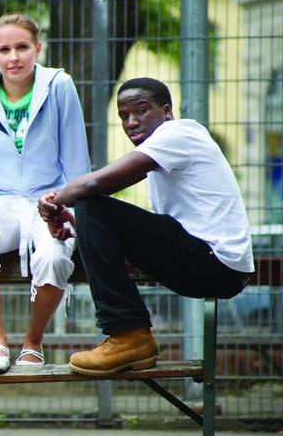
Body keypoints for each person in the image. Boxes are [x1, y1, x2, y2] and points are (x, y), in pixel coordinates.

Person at [38, 77, 254, 375]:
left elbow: (98, 182)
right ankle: (130, 336)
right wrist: (81, 227)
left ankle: (128, 334)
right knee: (91, 209)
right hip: (208, 263)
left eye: (141, 111)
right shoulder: (161, 159)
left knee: (91, 201)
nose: (131, 122)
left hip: (216, 262)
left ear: (166, 111)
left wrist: (54, 201)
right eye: (124, 116)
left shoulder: (179, 133)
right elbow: (144, 228)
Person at [0, 13, 90, 374]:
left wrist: (73, 213)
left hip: (50, 203)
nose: (14, 57)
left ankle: (32, 342)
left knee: (56, 258)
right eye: (5, 49)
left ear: (37, 48)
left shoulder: (59, 85)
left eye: (22, 47)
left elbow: (76, 159)